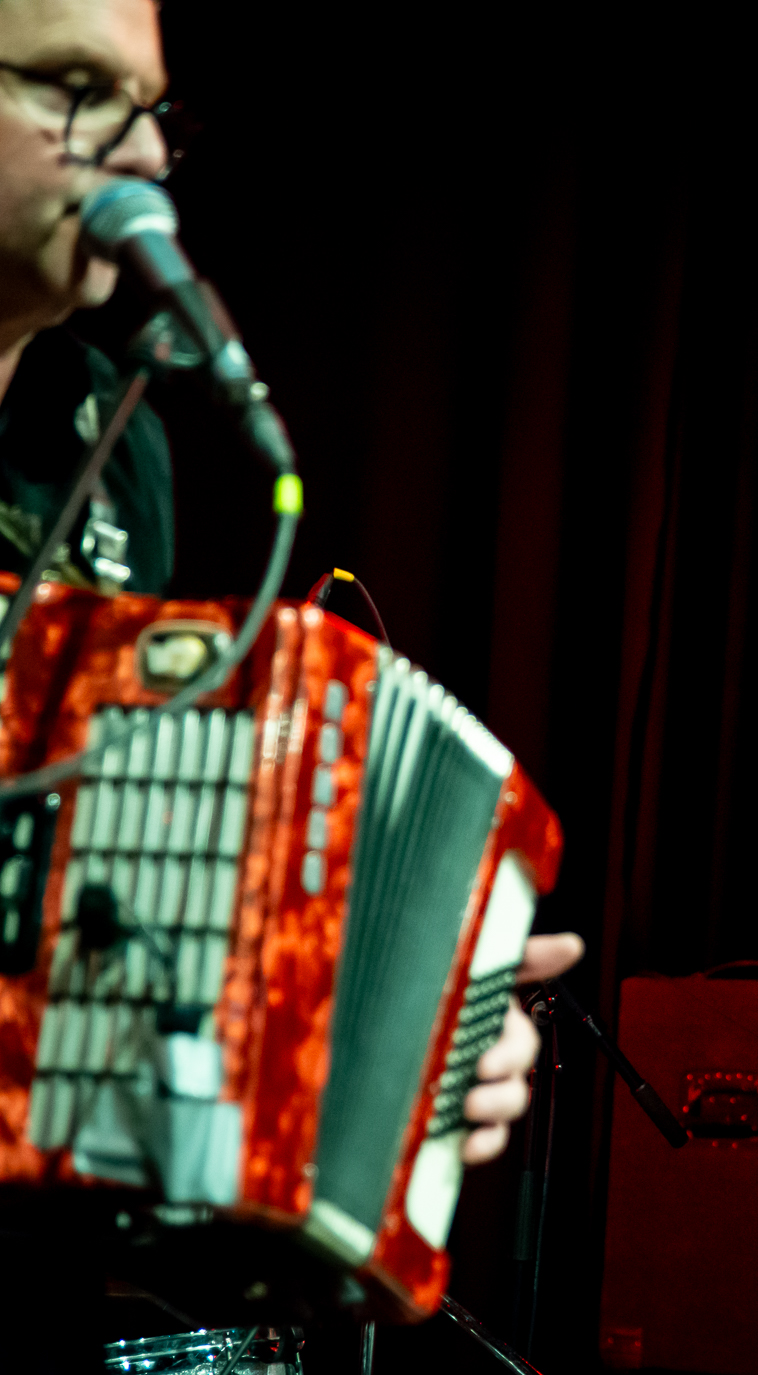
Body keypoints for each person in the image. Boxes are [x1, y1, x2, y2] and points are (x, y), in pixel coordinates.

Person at [0, 0, 566, 1166]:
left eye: (153, 111)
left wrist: (400, 1031)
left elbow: (77, 890)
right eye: (79, 88)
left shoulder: (109, 433)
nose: (144, 156)